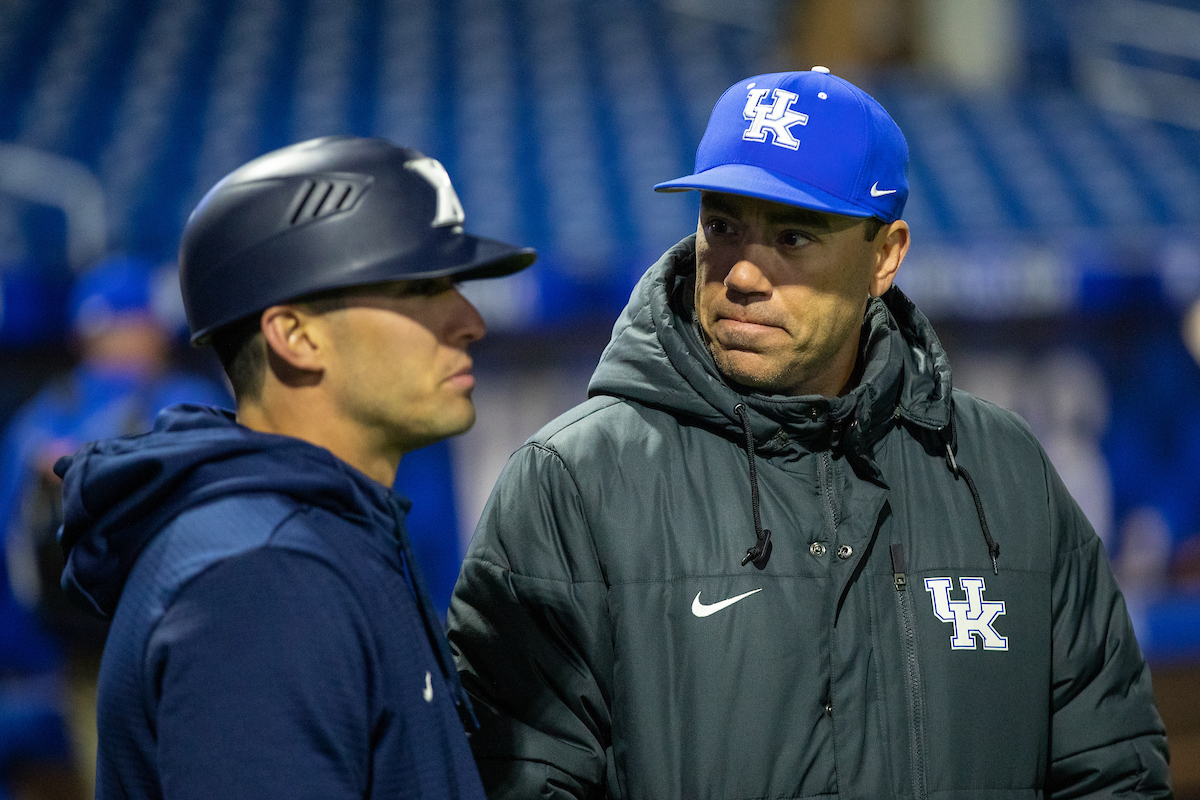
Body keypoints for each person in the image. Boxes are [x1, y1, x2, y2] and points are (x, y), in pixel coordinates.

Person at [447, 69, 1172, 798]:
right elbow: (518, 782)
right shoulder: (571, 483)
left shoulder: (1001, 468)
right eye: (722, 226)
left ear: (885, 255)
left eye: (793, 235)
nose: (742, 276)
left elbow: (1109, 769)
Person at [54, 136, 536, 799]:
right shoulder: (260, 580)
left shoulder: (320, 531)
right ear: (297, 335)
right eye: (421, 286)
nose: (471, 320)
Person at [0, 255, 229, 798]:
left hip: (84, 646)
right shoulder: (189, 401)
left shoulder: (39, 418)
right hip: (188, 641)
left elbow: (12, 562)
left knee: (113, 779)